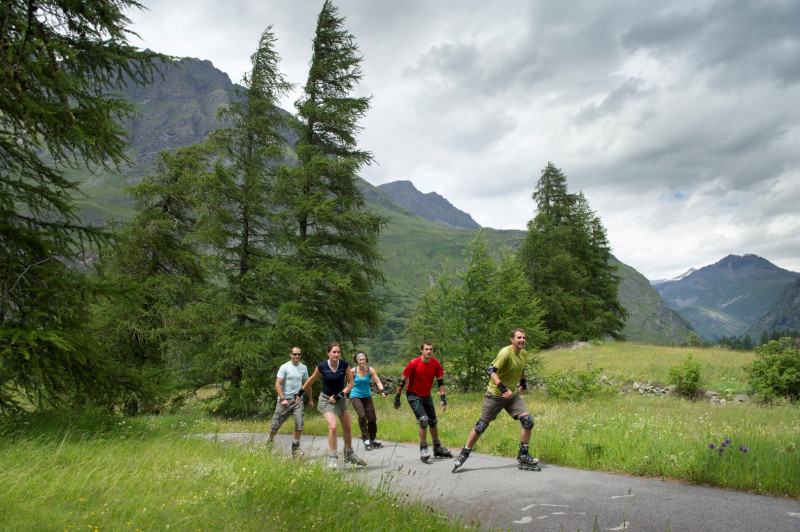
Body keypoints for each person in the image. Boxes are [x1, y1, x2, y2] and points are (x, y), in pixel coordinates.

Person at [452, 328, 540, 473]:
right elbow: (491, 371)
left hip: (511, 396)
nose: (522, 340)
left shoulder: (523, 354)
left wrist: (523, 383)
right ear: (512, 340)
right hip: (495, 395)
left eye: (523, 338)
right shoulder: (505, 353)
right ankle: (464, 453)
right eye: (519, 338)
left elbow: (521, 368)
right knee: (481, 426)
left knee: (528, 421)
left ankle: (523, 454)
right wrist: (502, 387)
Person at [301, 342, 366, 469]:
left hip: (340, 398)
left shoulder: (344, 365)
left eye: (338, 352)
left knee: (347, 427)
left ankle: (349, 454)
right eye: (334, 352)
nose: (336, 354)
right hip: (326, 399)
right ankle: (333, 457)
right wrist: (300, 392)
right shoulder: (322, 366)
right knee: (333, 426)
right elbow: (311, 380)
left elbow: (350, 384)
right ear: (328, 353)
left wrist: (340, 395)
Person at [393, 342, 453, 463]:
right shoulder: (413, 364)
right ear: (421, 350)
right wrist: (397, 398)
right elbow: (402, 381)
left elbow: (440, 382)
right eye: (426, 349)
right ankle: (423, 448)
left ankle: (437, 447)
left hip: (426, 395)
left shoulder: (435, 364)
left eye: (431, 349)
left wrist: (443, 399)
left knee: (433, 421)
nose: (429, 352)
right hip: (413, 395)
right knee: (423, 419)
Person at [268, 346, 313, 456]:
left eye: (299, 354)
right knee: (275, 425)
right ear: (290, 355)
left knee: (299, 422)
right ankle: (270, 439)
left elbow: (307, 384)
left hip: (297, 399)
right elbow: (277, 385)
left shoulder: (303, 368)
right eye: (295, 354)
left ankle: (295, 447)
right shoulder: (285, 367)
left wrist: (311, 399)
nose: (297, 356)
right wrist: (282, 398)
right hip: (284, 400)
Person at [350, 351, 388, 450]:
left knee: (372, 418)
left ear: (366, 360)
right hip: (356, 396)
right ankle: (365, 438)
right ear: (357, 361)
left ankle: (372, 438)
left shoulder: (370, 370)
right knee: (362, 416)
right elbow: (348, 384)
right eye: (360, 360)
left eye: (363, 359)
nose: (362, 361)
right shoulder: (352, 371)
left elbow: (378, 381)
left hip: (367, 396)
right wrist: (345, 395)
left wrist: (382, 391)